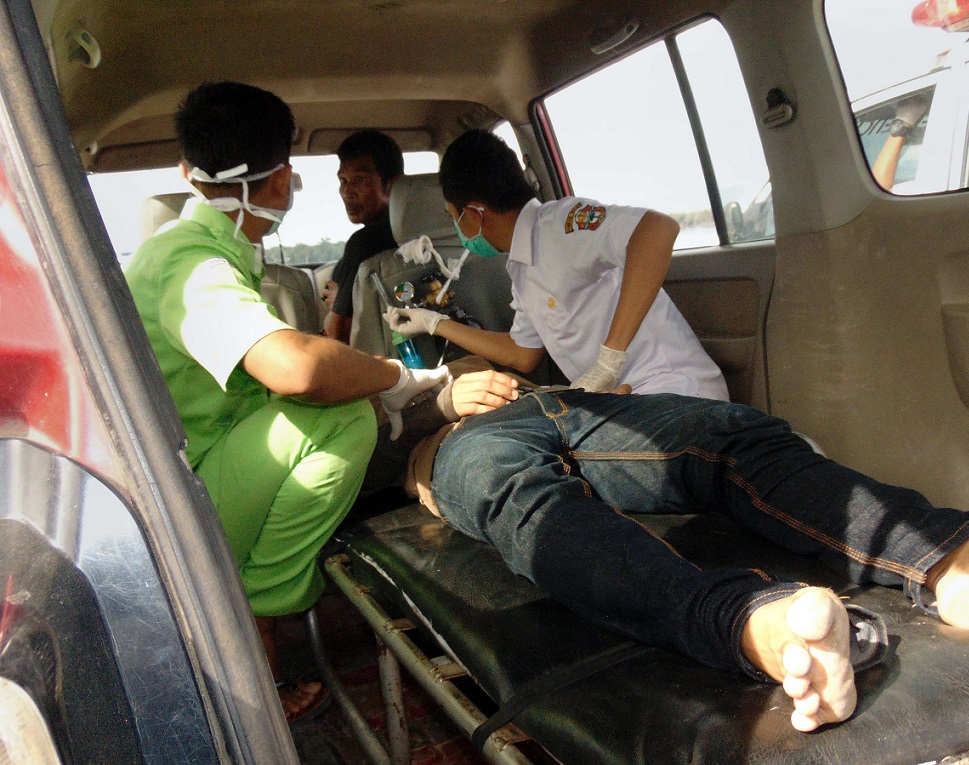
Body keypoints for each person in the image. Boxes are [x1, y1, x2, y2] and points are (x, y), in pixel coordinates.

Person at [397, 385, 969, 734]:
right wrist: (440, 402)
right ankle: (756, 622)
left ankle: (964, 557)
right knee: (524, 502)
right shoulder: (382, 410)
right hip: (461, 443)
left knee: (732, 432)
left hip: (568, 400)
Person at [124, 81, 520, 724]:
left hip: (206, 456)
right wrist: (402, 378)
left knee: (359, 410)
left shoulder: (198, 252)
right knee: (342, 417)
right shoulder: (190, 263)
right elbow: (299, 368)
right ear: (280, 182)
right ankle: (264, 593)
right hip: (188, 490)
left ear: (184, 173)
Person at [384, 129, 729, 400]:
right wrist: (434, 323)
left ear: (473, 215)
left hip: (676, 393)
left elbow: (657, 230)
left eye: (453, 217)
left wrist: (609, 359)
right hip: (629, 399)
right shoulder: (522, 264)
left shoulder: (562, 226)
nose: (459, 231)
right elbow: (522, 354)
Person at [322, 129, 404, 343]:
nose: (348, 192)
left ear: (392, 184)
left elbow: (337, 334)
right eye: (343, 180)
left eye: (360, 179)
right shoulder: (426, 234)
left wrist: (336, 305)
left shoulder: (365, 243)